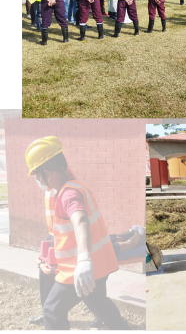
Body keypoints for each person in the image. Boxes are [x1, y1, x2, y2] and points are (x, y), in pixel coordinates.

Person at [24, 136, 130, 330]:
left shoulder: (68, 194)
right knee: (99, 304)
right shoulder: (75, 186)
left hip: (79, 270)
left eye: (38, 177)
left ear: (47, 172)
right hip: (96, 267)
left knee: (52, 310)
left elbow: (80, 219)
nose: (39, 181)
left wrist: (83, 260)